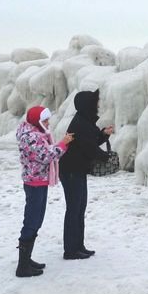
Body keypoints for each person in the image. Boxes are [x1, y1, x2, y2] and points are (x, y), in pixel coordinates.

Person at [15, 106, 73, 277]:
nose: (48, 123)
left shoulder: (35, 134)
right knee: (32, 221)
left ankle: (27, 259)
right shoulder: (31, 137)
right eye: (45, 120)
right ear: (37, 121)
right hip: (34, 183)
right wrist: (64, 144)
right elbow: (46, 156)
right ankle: (22, 266)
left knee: (36, 220)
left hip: (38, 181)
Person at [58, 89, 114, 260]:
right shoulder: (79, 123)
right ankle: (70, 250)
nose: (97, 105)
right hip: (70, 172)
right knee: (74, 209)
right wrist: (106, 157)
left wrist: (103, 134)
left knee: (79, 208)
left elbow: (92, 141)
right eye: (94, 102)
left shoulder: (85, 121)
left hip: (78, 170)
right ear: (87, 105)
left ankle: (78, 245)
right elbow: (89, 148)